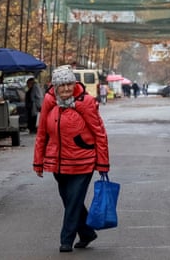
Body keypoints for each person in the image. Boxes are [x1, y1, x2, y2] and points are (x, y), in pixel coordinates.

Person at [33, 65, 110, 253]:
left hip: (83, 161)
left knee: (74, 200)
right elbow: (42, 132)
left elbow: (99, 133)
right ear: (55, 86)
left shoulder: (86, 101)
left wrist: (102, 162)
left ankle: (65, 240)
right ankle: (86, 233)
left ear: (74, 83)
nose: (66, 88)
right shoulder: (49, 101)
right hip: (57, 161)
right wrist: (38, 161)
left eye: (69, 84)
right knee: (70, 200)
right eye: (62, 85)